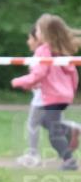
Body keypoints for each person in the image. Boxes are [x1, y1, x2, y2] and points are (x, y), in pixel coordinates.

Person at [11, 14, 80, 171]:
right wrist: (71, 92)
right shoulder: (62, 50)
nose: (37, 32)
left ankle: (67, 160)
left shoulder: (44, 50)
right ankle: (71, 129)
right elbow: (73, 75)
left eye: (40, 29)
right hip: (62, 97)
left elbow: (40, 73)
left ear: (47, 33)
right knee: (46, 123)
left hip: (51, 97)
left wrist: (20, 81)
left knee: (51, 131)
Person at [16, 26, 45, 168]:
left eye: (30, 38)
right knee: (53, 125)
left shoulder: (40, 56)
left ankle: (33, 155)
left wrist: (21, 82)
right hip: (44, 97)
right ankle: (33, 154)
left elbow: (37, 77)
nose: (28, 42)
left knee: (32, 124)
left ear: (37, 40)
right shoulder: (41, 56)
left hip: (41, 98)